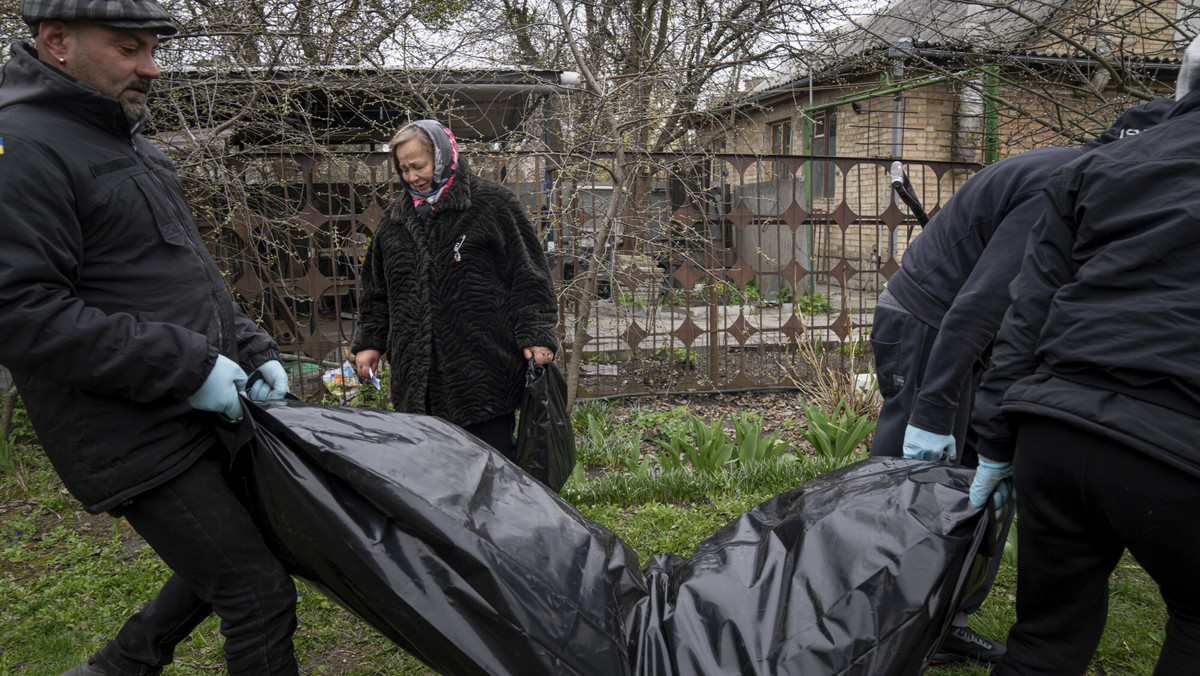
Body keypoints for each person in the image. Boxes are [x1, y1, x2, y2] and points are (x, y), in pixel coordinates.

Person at [0, 1, 298, 674]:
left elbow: (191, 274)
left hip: (196, 405)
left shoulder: (131, 144)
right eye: (130, 48)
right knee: (256, 593)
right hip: (127, 428)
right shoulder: (19, 145)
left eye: (153, 49)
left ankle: (123, 664)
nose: (152, 68)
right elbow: (19, 311)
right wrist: (188, 366)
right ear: (57, 42)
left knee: (249, 549)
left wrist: (255, 353)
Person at [868, 97, 1173, 664]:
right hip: (931, 325)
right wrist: (932, 411)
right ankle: (872, 622)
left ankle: (940, 620)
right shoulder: (1064, 182)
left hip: (975, 335)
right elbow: (979, 303)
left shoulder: (1090, 176)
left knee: (968, 482)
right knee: (908, 484)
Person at [967, 37, 1200, 675]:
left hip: (1056, 435)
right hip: (1178, 447)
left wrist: (995, 440)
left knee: (1045, 637)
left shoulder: (1095, 168)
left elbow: (1028, 309)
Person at [352, 120, 559, 459]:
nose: (410, 177)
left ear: (443, 156)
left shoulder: (492, 204)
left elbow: (529, 275)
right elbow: (377, 291)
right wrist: (370, 343)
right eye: (403, 169)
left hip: (482, 369)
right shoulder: (395, 221)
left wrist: (536, 333)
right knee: (431, 471)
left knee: (490, 466)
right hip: (416, 376)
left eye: (418, 166)